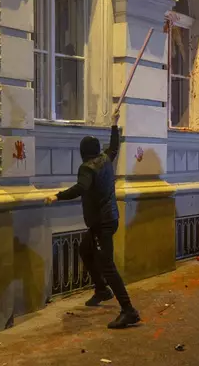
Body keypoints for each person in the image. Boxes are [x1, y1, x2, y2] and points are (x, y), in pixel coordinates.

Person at [45, 109, 139, 329]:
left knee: (108, 266)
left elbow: (81, 188)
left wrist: (56, 196)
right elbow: (115, 146)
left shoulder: (86, 168)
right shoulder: (105, 159)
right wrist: (114, 125)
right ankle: (101, 289)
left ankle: (128, 310)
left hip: (101, 224)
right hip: (110, 219)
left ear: (82, 152)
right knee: (85, 249)